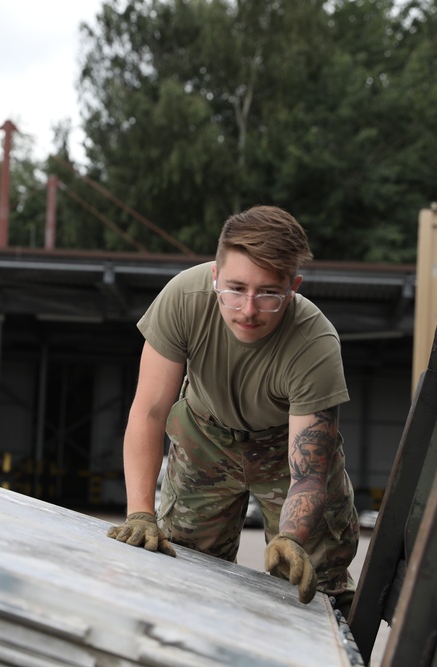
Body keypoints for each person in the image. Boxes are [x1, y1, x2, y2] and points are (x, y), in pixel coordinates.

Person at [106, 205, 359, 617]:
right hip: (205, 436)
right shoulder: (184, 299)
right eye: (235, 288)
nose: (248, 309)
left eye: (269, 293)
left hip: (283, 448)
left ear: (293, 286)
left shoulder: (315, 343)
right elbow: (149, 412)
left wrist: (292, 536)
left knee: (316, 580)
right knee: (182, 564)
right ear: (214, 278)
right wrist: (140, 513)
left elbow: (309, 472)